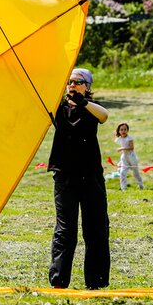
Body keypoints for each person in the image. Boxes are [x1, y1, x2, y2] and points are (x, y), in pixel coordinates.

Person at [47, 68, 110, 290]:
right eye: (69, 81)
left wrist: (83, 102)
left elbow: (104, 116)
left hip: (91, 175)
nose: (72, 85)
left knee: (96, 228)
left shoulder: (92, 108)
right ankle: (59, 280)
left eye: (78, 81)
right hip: (65, 176)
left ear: (87, 86)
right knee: (65, 229)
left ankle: (96, 281)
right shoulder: (58, 108)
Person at [114, 122, 144, 191]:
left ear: (127, 130)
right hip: (124, 158)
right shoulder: (120, 138)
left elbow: (131, 148)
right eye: (121, 130)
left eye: (125, 129)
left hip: (132, 157)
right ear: (119, 131)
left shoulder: (129, 138)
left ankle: (141, 185)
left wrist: (122, 148)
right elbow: (115, 138)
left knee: (136, 173)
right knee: (122, 173)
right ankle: (123, 188)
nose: (123, 131)